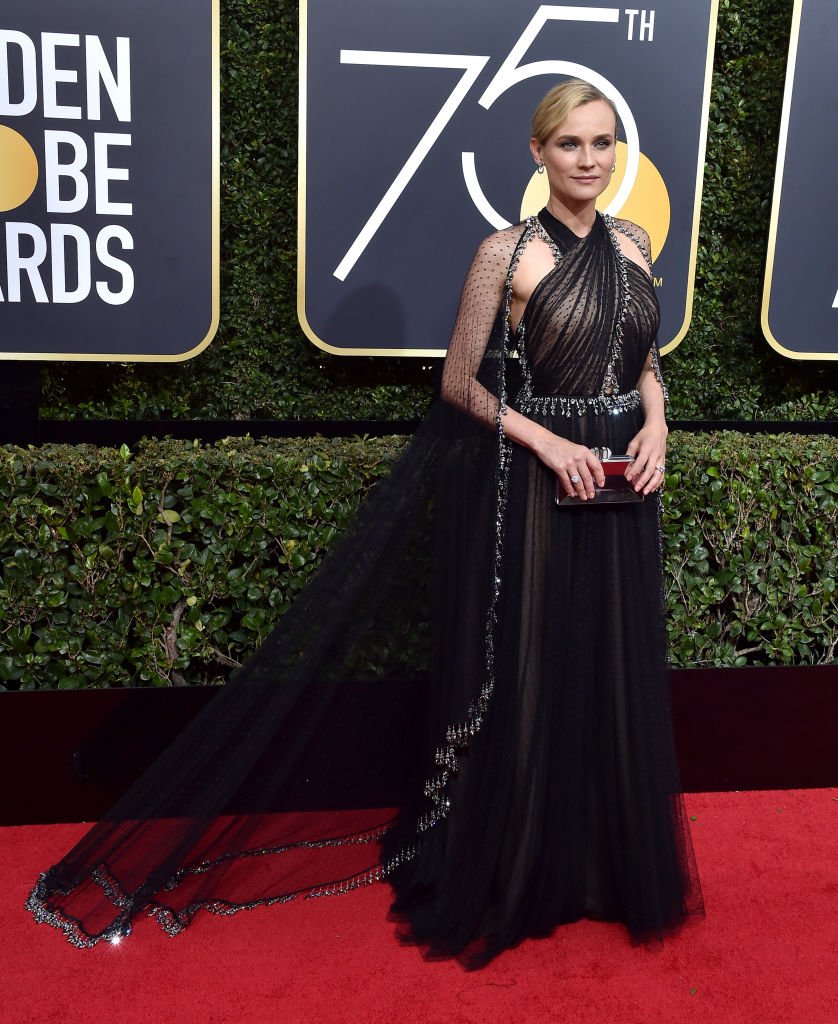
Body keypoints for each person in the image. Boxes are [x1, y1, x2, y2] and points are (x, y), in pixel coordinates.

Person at [27, 79, 703, 966]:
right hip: (544, 485)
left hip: (625, 476)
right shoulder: (505, 253)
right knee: (537, 668)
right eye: (571, 144)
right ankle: (528, 863)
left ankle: (598, 865)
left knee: (606, 663)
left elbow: (644, 361)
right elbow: (460, 384)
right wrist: (545, 442)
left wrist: (656, 424)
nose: (590, 160)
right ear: (537, 154)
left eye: (604, 143)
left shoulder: (635, 240)